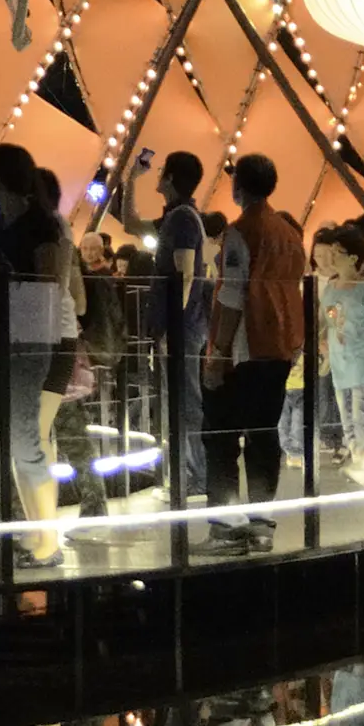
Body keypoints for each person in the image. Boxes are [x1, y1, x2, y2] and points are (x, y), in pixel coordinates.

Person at [0, 145, 71, 563]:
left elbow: (48, 282)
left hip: (29, 338)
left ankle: (48, 540)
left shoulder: (40, 224)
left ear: (1, 177)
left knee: (24, 433)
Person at [204, 156, 305, 548]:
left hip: (245, 348)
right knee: (264, 437)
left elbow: (231, 296)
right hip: (279, 347)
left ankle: (225, 528)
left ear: (237, 188)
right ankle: (262, 524)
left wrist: (217, 354)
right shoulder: (290, 232)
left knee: (221, 436)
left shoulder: (241, 231)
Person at [151, 150, 213, 509]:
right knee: (180, 399)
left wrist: (174, 319)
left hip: (182, 327)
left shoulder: (182, 220)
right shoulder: (177, 217)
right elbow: (129, 222)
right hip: (182, 326)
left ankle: (196, 475)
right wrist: (131, 181)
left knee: (186, 400)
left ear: (171, 176)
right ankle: (189, 474)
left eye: (161, 171)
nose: (157, 175)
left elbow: (186, 272)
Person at [314, 230, 364, 483]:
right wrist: (321, 346)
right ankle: (358, 461)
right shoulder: (331, 289)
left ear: (353, 258)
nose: (332, 257)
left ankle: (362, 463)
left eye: (338, 253)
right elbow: (329, 320)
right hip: (340, 362)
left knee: (363, 412)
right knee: (347, 415)